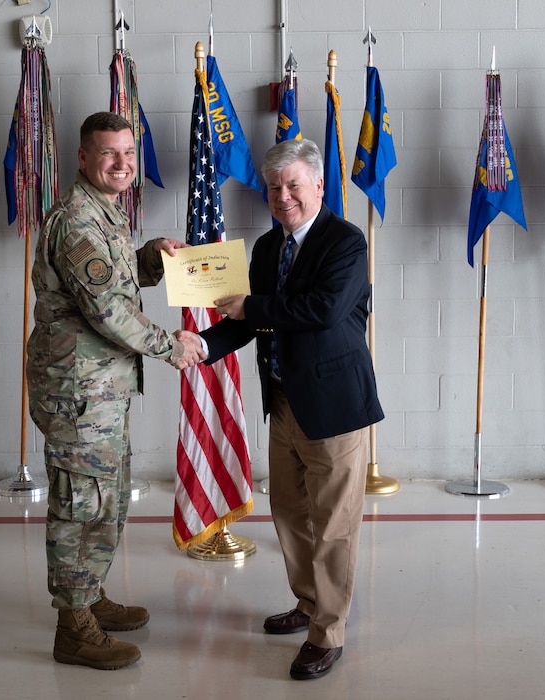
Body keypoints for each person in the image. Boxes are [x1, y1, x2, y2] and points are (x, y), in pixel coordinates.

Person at [184, 138, 383, 680]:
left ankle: (329, 633)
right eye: (274, 187)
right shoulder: (269, 248)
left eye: (293, 184)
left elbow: (319, 310)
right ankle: (308, 602)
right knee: (291, 516)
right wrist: (204, 346)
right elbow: (249, 320)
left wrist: (253, 306)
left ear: (318, 185)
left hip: (335, 408)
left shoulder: (345, 241)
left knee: (335, 525)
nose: (283, 196)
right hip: (283, 400)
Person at [26, 111, 205, 670]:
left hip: (101, 389)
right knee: (81, 502)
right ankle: (72, 626)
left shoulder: (105, 214)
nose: (122, 163)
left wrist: (150, 258)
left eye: (128, 153)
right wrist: (168, 345)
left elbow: (112, 277)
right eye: (108, 154)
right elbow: (105, 309)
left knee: (105, 494)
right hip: (80, 391)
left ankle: (90, 595)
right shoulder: (79, 220)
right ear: (83, 158)